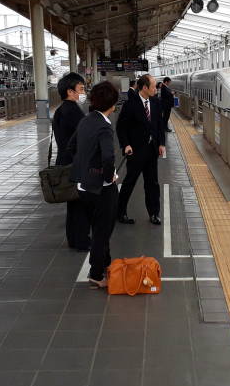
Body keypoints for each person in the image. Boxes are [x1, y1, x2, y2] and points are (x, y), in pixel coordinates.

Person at [69, 81, 120, 289]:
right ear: (113, 104)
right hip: (101, 189)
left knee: (97, 228)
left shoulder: (86, 120)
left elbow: (72, 146)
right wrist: (109, 177)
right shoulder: (105, 126)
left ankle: (105, 265)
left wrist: (85, 169)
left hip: (83, 187)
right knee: (102, 232)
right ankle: (96, 274)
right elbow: (108, 157)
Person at [116, 74, 165, 225]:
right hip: (136, 151)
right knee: (129, 182)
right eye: (153, 87)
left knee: (152, 183)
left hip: (152, 150)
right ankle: (120, 212)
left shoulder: (156, 102)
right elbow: (121, 127)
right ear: (144, 88)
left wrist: (161, 143)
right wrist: (126, 145)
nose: (156, 90)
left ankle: (154, 213)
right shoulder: (130, 104)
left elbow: (159, 124)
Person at [53, 73, 90, 251]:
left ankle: (74, 239)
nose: (83, 93)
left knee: (73, 204)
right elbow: (82, 139)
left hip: (65, 161)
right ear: (70, 91)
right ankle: (81, 241)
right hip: (75, 164)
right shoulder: (73, 111)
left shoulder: (60, 110)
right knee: (81, 204)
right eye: (81, 89)